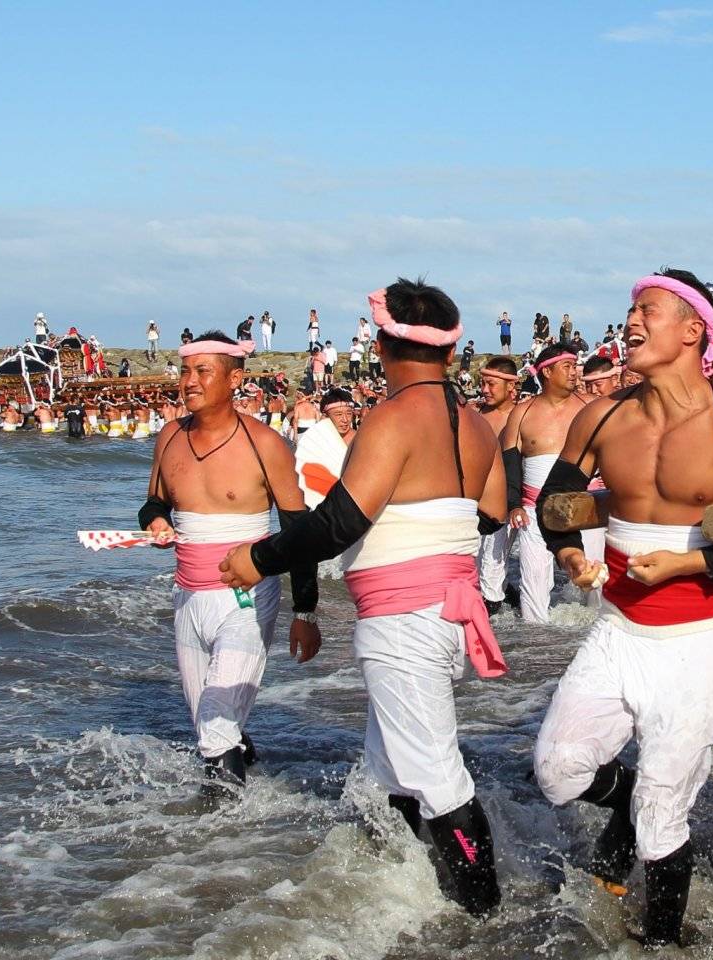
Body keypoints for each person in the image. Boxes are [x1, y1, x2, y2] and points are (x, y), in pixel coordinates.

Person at [221, 279, 508, 915]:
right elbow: (490, 514)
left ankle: (484, 919)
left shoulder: (395, 415)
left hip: (405, 618)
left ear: (382, 344)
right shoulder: (477, 424)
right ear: (449, 351)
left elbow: (340, 525)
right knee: (394, 770)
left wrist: (257, 557)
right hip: (448, 609)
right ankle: (430, 891)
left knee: (436, 777)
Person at [532, 268, 713, 946]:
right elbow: (555, 509)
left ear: (692, 331)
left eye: (648, 309)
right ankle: (625, 804)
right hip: (619, 625)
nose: (632, 321)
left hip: (698, 634)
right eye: (630, 310)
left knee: (661, 819)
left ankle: (660, 941)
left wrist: (687, 562)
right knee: (558, 770)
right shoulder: (603, 414)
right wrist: (568, 555)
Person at [138, 331, 321, 798]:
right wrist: (157, 522)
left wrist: (305, 613)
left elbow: (299, 532)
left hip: (245, 600)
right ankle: (252, 828)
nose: (189, 382)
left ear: (233, 378)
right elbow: (152, 502)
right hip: (187, 597)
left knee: (214, 728)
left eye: (203, 372)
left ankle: (218, 841)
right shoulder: (170, 437)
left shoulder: (264, 444)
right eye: (185, 371)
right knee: (211, 725)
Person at [499, 343, 588, 623]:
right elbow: (510, 462)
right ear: (547, 371)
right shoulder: (522, 412)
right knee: (533, 586)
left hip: (587, 506)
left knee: (593, 579)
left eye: (575, 366)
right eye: (568, 367)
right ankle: (535, 642)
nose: (575, 373)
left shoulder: (590, 408)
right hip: (533, 509)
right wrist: (514, 505)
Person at [475, 356, 520, 615]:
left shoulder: (523, 415)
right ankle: (511, 606)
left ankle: (494, 634)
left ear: (511, 386)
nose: (484, 390)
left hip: (509, 503)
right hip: (475, 503)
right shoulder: (476, 416)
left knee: (491, 565)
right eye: (483, 383)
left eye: (491, 384)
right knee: (479, 565)